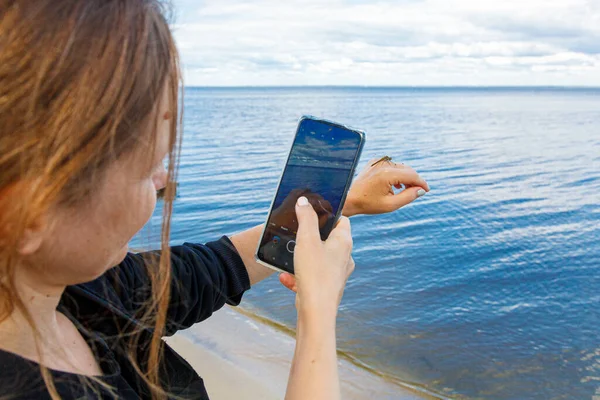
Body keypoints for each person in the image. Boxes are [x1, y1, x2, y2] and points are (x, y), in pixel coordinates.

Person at [0, 1, 430, 399]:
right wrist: (317, 311)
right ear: (31, 211)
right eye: (148, 168)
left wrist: (341, 204)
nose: (165, 181)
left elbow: (206, 273)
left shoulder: (74, 293)